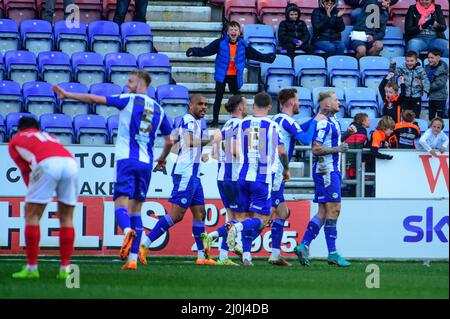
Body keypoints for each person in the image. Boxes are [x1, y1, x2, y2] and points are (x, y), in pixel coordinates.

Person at [53, 70, 173, 270]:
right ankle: (132, 259)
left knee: (120, 204)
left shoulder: (128, 99)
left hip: (126, 160)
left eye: (131, 81)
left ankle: (126, 231)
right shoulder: (160, 110)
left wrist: (68, 95)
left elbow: (93, 98)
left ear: (141, 83)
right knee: (136, 210)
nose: (127, 83)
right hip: (146, 164)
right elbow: (170, 140)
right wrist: (162, 159)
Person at [139, 94, 222, 266]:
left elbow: (178, 142)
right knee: (176, 215)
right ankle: (144, 245)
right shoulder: (188, 120)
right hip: (185, 174)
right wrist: (213, 138)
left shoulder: (198, 122)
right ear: (190, 105)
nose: (204, 107)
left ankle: (201, 256)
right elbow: (190, 141)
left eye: (206, 104)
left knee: (200, 213)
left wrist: (163, 158)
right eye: (200, 104)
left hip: (194, 174)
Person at [8, 116, 78, 279]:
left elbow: (26, 170)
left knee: (32, 215)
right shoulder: (48, 136)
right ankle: (65, 270)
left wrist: (32, 194)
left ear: (20, 129)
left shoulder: (16, 140)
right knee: (67, 217)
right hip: (71, 163)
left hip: (47, 163)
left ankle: (32, 269)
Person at [225, 92, 290, 266]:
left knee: (246, 215)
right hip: (262, 177)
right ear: (270, 107)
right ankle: (236, 228)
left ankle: (246, 256)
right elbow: (282, 151)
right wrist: (286, 169)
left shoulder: (242, 123)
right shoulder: (273, 125)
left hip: (242, 175)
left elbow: (231, 148)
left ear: (253, 106)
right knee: (262, 218)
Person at [293, 91, 351, 267]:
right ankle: (332, 253)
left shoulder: (332, 121)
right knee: (334, 210)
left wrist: (346, 134)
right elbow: (316, 149)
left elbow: (332, 143)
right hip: (326, 171)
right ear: (327, 105)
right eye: (335, 100)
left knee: (324, 213)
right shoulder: (323, 123)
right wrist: (338, 149)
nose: (339, 102)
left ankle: (303, 245)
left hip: (330, 171)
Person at [268, 88, 326, 266]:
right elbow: (306, 139)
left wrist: (314, 119)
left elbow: (300, 129)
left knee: (281, 212)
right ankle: (236, 239)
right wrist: (316, 122)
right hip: (276, 172)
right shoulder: (287, 121)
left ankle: (274, 255)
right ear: (292, 102)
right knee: (266, 216)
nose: (300, 104)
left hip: (270, 170)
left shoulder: (276, 119)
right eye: (298, 100)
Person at [186, 21, 276, 127]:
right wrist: (193, 51)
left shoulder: (243, 44)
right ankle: (215, 121)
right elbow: (207, 50)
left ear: (239, 32)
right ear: (227, 32)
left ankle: (242, 118)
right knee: (218, 97)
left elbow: (255, 54)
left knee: (238, 98)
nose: (233, 32)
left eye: (235, 30)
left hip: (234, 75)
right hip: (222, 75)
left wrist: (267, 57)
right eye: (231, 30)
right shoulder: (220, 43)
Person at [202, 95, 248, 266]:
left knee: (231, 218)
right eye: (245, 103)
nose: (247, 106)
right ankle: (211, 236)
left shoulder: (225, 125)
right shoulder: (240, 125)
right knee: (242, 218)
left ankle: (222, 256)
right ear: (240, 107)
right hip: (234, 177)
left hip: (221, 177)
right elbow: (236, 150)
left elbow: (214, 153)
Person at [395, 51, 430, 118]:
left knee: (415, 116)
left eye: (411, 61)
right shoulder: (402, 68)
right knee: (405, 116)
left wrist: (421, 83)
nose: (409, 63)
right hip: (405, 96)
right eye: (407, 61)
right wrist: (392, 65)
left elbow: (426, 82)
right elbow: (393, 73)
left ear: (416, 61)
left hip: (416, 97)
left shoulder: (420, 70)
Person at [344, 113, 370, 180]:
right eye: (368, 120)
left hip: (348, 159)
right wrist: (362, 160)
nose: (369, 122)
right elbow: (359, 146)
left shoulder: (353, 128)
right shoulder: (361, 130)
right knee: (354, 181)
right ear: (363, 122)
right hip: (354, 160)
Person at [425, 49, 449, 121]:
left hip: (440, 98)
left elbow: (439, 84)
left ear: (438, 58)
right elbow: (424, 78)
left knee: (440, 119)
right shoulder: (427, 67)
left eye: (432, 58)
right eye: (428, 58)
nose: (429, 60)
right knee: (431, 118)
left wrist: (425, 86)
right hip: (431, 97)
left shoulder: (443, 69)